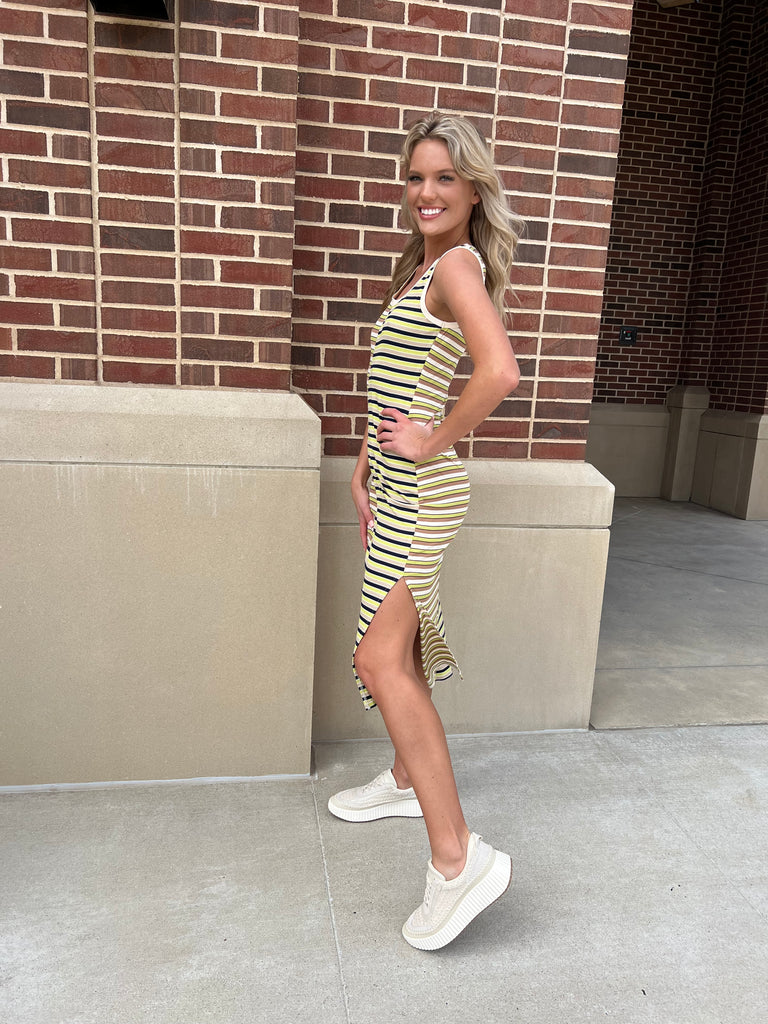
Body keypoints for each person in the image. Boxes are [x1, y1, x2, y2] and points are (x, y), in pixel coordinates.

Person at [327, 111, 524, 950]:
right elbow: (395, 380)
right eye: (416, 176)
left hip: (426, 493)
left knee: (377, 658)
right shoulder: (421, 268)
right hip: (397, 483)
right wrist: (366, 464)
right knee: (398, 650)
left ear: (475, 190)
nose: (426, 192)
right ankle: (407, 778)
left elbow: (499, 371)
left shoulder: (457, 266)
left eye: (445, 177)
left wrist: (433, 439)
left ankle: (457, 860)